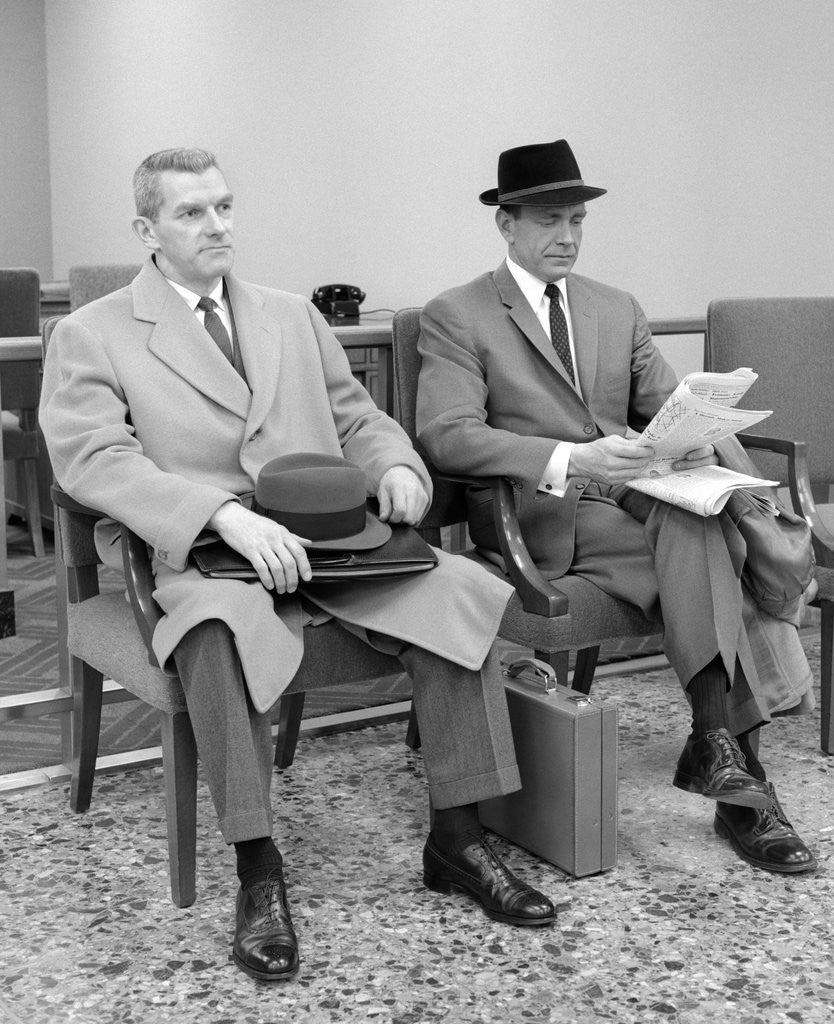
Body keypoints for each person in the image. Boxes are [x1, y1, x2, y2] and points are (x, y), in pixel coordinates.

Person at [39, 148, 558, 984]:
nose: (217, 226)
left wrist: (395, 465)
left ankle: (458, 839)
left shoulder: (291, 315)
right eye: (191, 213)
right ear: (147, 230)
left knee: (461, 590)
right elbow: (90, 461)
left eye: (224, 206)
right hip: (201, 551)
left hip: (331, 544)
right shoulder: (90, 332)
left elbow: (359, 417)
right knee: (212, 631)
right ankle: (258, 870)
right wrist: (220, 514)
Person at [416, 139, 819, 877]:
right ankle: (743, 793)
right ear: (505, 224)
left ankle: (717, 751)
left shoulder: (614, 306)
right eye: (547, 220)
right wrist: (572, 459)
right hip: (545, 511)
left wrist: (696, 440)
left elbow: (666, 403)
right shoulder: (458, 314)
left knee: (699, 517)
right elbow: (447, 436)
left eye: (576, 220)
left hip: (638, 494)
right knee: (715, 547)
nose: (567, 236)